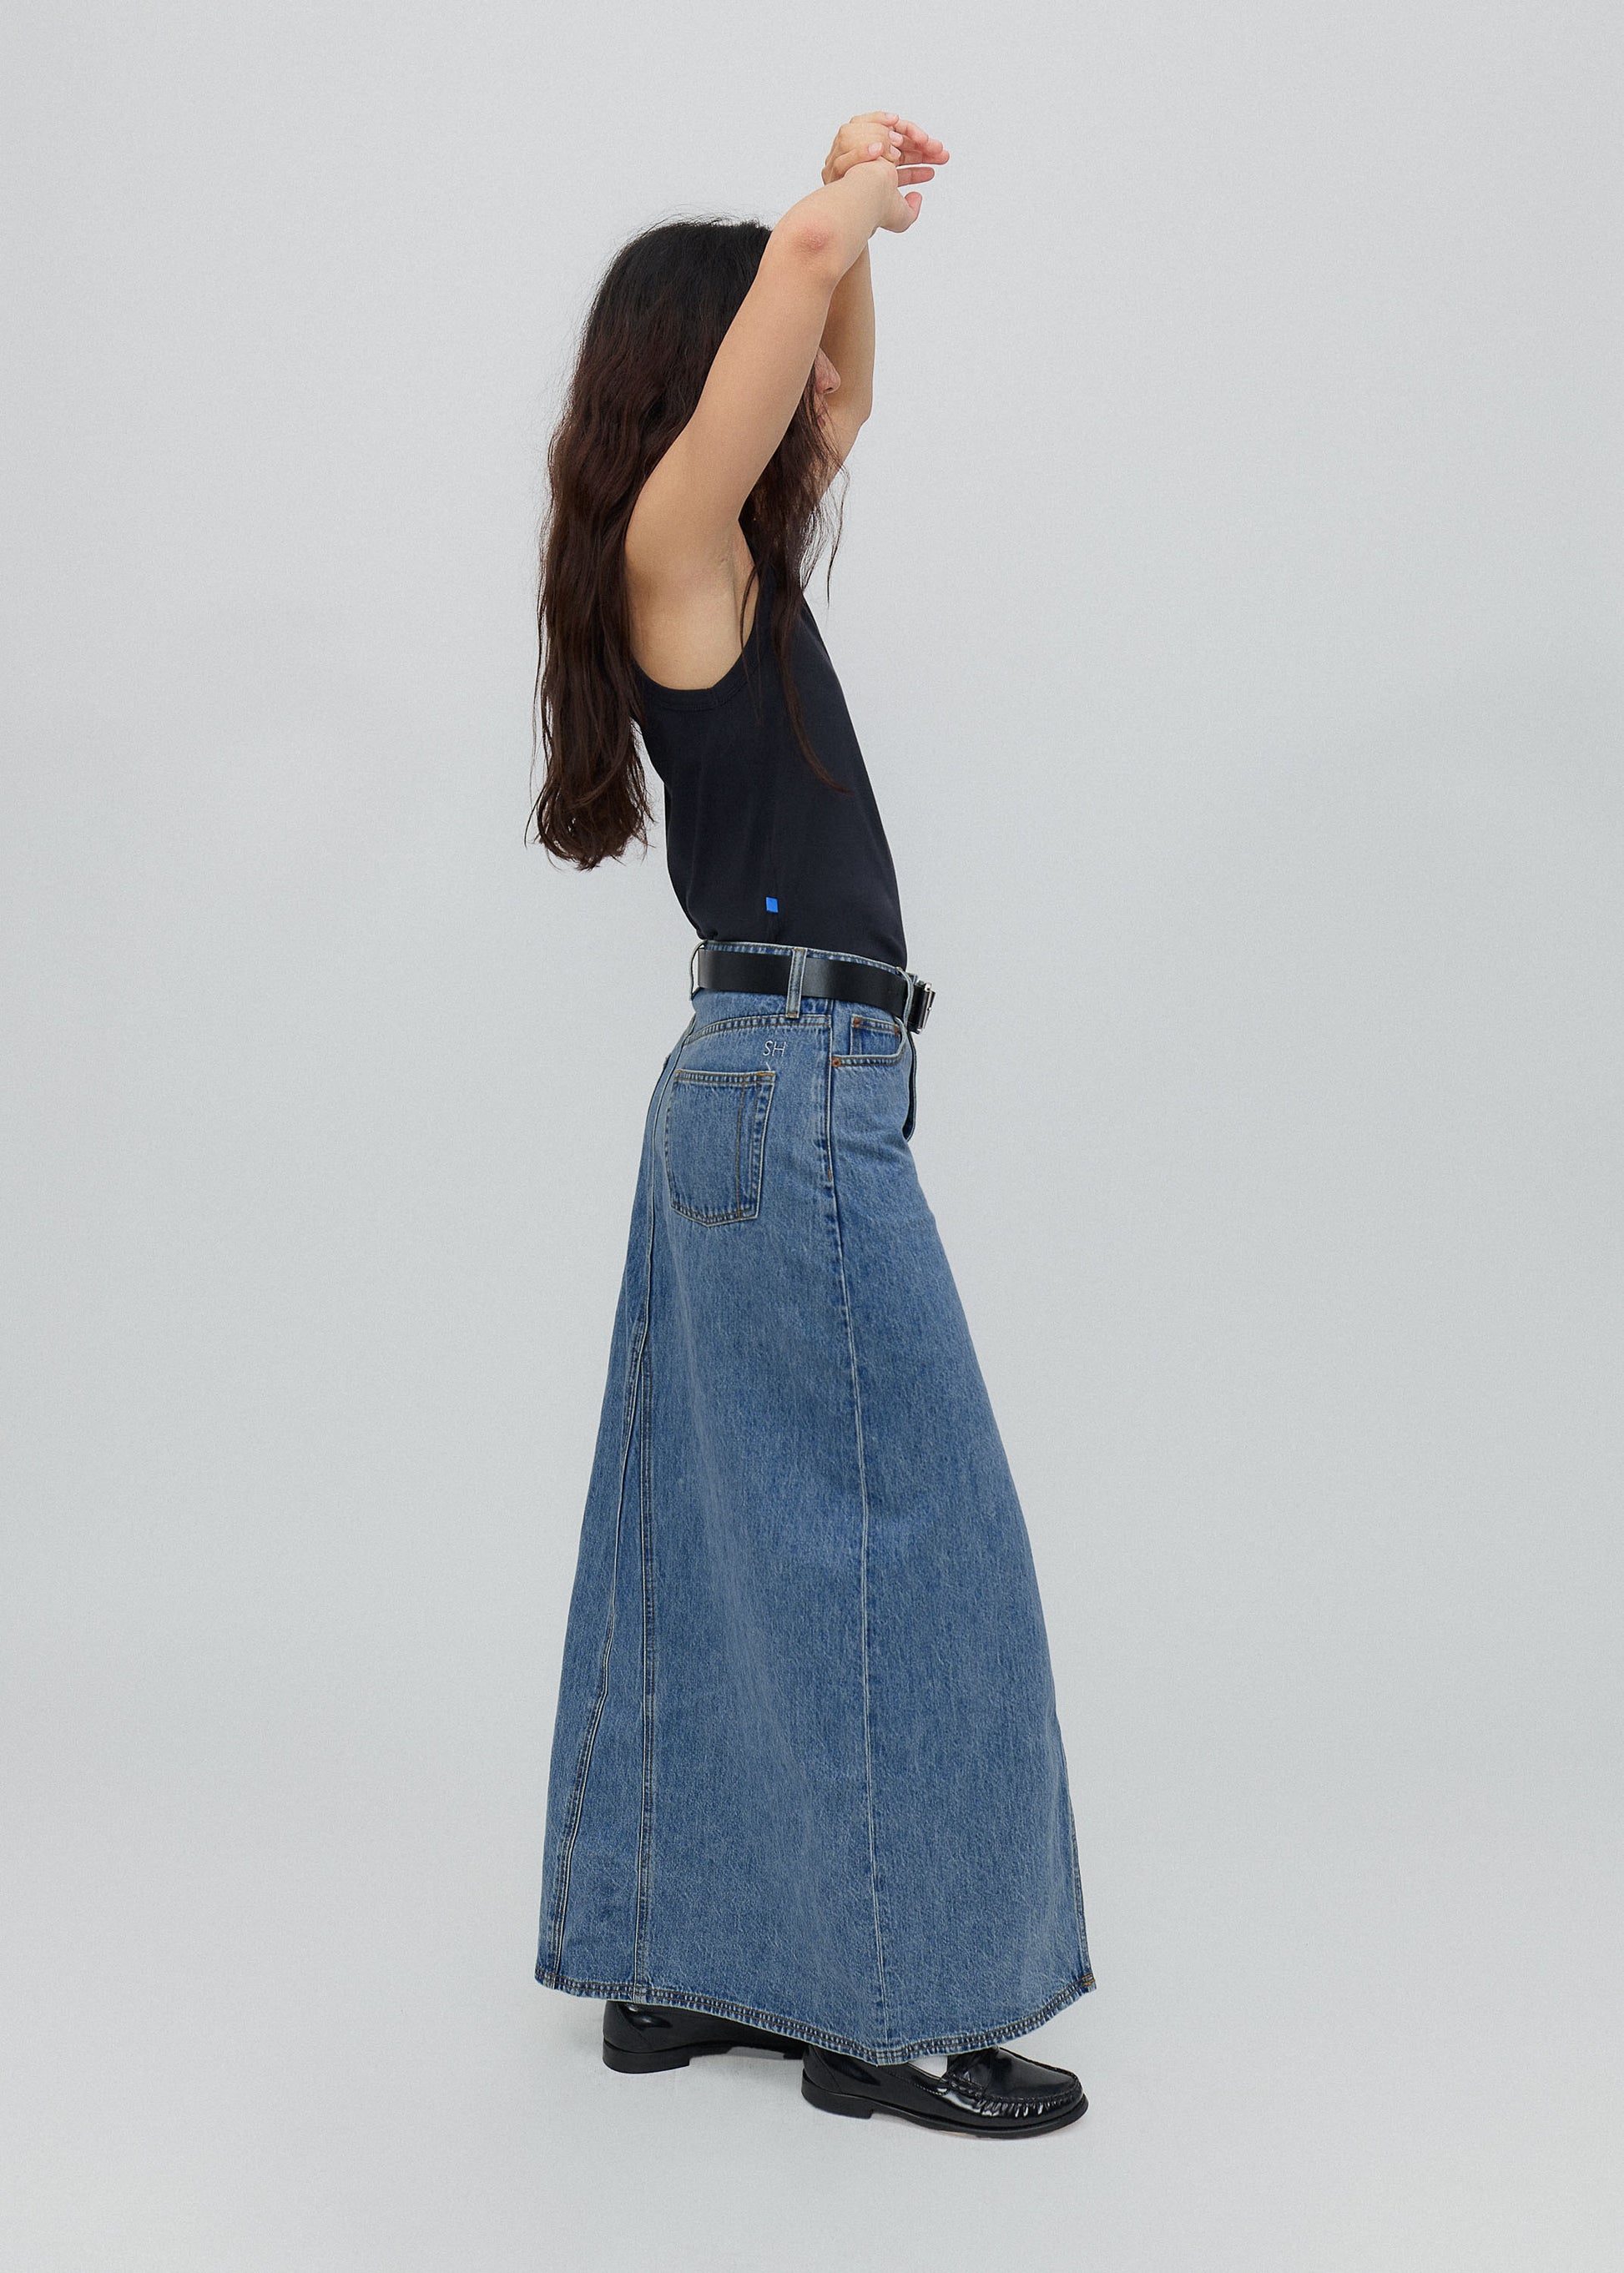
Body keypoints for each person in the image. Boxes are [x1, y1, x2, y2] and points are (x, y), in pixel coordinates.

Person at [530, 110, 1093, 2139]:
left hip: (751, 1092)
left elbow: (828, 363)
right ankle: (892, 2018)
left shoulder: (728, 551)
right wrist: (826, 212)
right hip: (793, 1084)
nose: (812, 409)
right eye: (760, 362)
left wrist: (858, 209)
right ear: (692, 392)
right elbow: (793, 307)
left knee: (715, 1539)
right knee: (907, 1547)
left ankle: (671, 1970)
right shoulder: (675, 555)